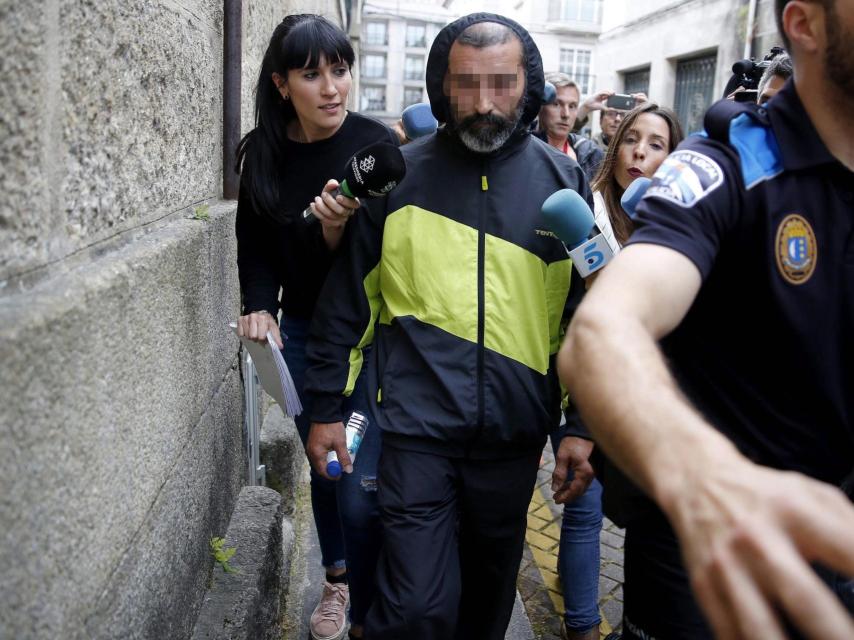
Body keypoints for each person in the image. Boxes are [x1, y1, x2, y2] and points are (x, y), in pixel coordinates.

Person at [558, 0, 854, 637]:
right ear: (805, 23)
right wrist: (706, 480)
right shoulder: (725, 165)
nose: (641, 153)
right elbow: (602, 333)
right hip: (700, 553)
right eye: (631, 140)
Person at [303, 13, 591, 640]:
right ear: (441, 85)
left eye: (501, 83)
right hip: (415, 436)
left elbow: (587, 319)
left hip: (514, 443)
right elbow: (348, 305)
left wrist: (582, 427)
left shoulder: (566, 183)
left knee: (484, 611)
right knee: (415, 612)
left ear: (527, 85)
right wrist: (325, 407)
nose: (484, 103)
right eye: (466, 83)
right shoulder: (396, 179)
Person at [233, 14, 398, 640]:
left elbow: (380, 259)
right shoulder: (264, 154)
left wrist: (338, 233)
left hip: (368, 334)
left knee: (361, 473)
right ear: (281, 84)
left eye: (340, 69)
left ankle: (378, 589)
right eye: (311, 74)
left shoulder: (375, 147)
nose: (332, 87)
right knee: (327, 466)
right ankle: (338, 582)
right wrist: (260, 306)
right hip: (301, 332)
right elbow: (257, 248)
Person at [549, 101, 684, 640]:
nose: (641, 153)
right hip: (582, 384)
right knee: (584, 508)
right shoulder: (586, 210)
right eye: (633, 139)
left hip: (647, 397)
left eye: (657, 144)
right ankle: (582, 625)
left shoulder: (679, 218)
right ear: (615, 143)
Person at [536, 72, 604, 184]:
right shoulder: (522, 148)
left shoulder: (591, 154)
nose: (566, 114)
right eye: (556, 104)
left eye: (572, 106)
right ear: (540, 106)